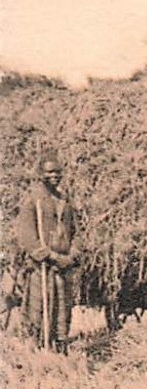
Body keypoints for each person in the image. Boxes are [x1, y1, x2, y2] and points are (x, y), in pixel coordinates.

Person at [13, 151, 78, 353]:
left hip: (63, 266)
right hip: (42, 267)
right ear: (40, 173)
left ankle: (60, 346)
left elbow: (75, 231)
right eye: (49, 172)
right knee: (39, 309)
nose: (54, 176)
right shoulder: (33, 200)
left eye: (58, 172)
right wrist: (51, 256)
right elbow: (27, 239)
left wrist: (73, 253)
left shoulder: (64, 200)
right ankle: (37, 350)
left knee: (62, 309)